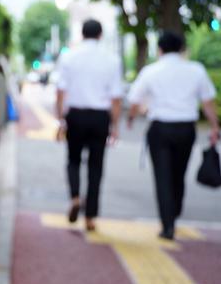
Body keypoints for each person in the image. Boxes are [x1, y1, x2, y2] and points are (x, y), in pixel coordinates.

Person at [126, 31, 219, 240]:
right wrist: (214, 126)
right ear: (182, 49)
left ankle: (167, 223)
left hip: (160, 129)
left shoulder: (151, 71)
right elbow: (207, 102)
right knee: (179, 173)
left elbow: (134, 99)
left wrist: (132, 117)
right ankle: (175, 211)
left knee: (162, 176)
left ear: (159, 49)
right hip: (186, 128)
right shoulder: (196, 70)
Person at [54, 19, 124, 231]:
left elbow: (60, 90)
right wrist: (114, 126)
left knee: (73, 160)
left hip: (75, 114)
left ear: (82, 34)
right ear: (100, 35)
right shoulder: (112, 59)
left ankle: (75, 197)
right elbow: (116, 97)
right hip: (100, 117)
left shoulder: (68, 56)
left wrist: (61, 119)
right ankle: (91, 216)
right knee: (96, 165)